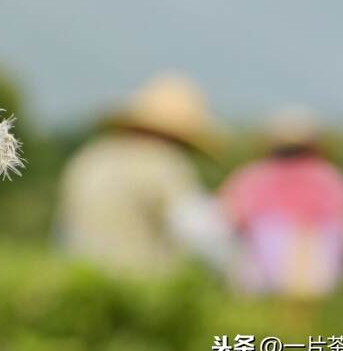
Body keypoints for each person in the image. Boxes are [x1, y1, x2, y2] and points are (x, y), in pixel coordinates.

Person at [55, 74, 233, 274]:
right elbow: (202, 234)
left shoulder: (88, 159)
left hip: (80, 283)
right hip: (137, 292)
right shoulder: (164, 163)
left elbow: (64, 234)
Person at [219, 107, 343, 298]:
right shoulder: (331, 179)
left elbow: (229, 219)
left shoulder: (252, 177)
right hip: (323, 274)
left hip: (260, 281)